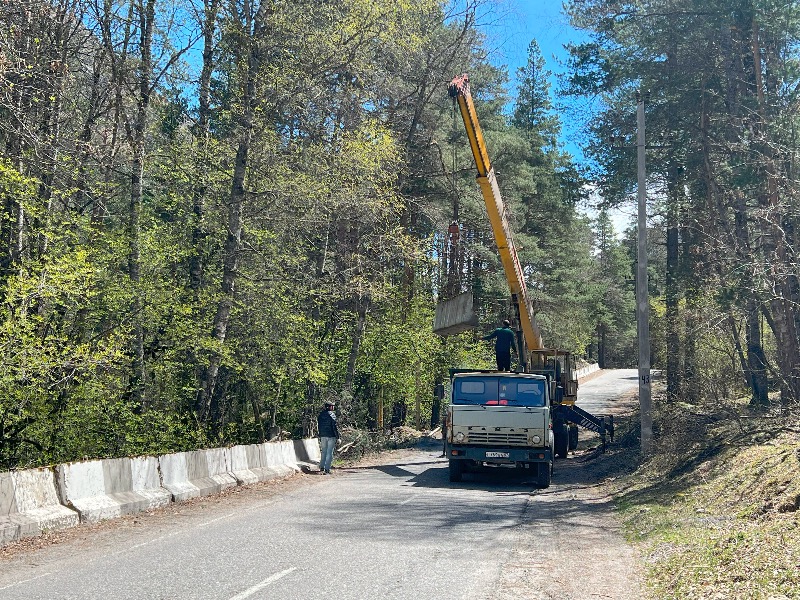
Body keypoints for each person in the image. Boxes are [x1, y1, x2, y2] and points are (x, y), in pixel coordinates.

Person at [317, 399, 340, 474]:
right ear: (329, 407)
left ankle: (321, 467)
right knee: (329, 452)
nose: (333, 407)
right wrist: (338, 437)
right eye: (332, 406)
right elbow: (334, 426)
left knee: (323, 451)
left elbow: (319, 426)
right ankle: (327, 469)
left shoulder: (321, 415)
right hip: (331, 436)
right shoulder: (332, 415)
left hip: (323, 435)